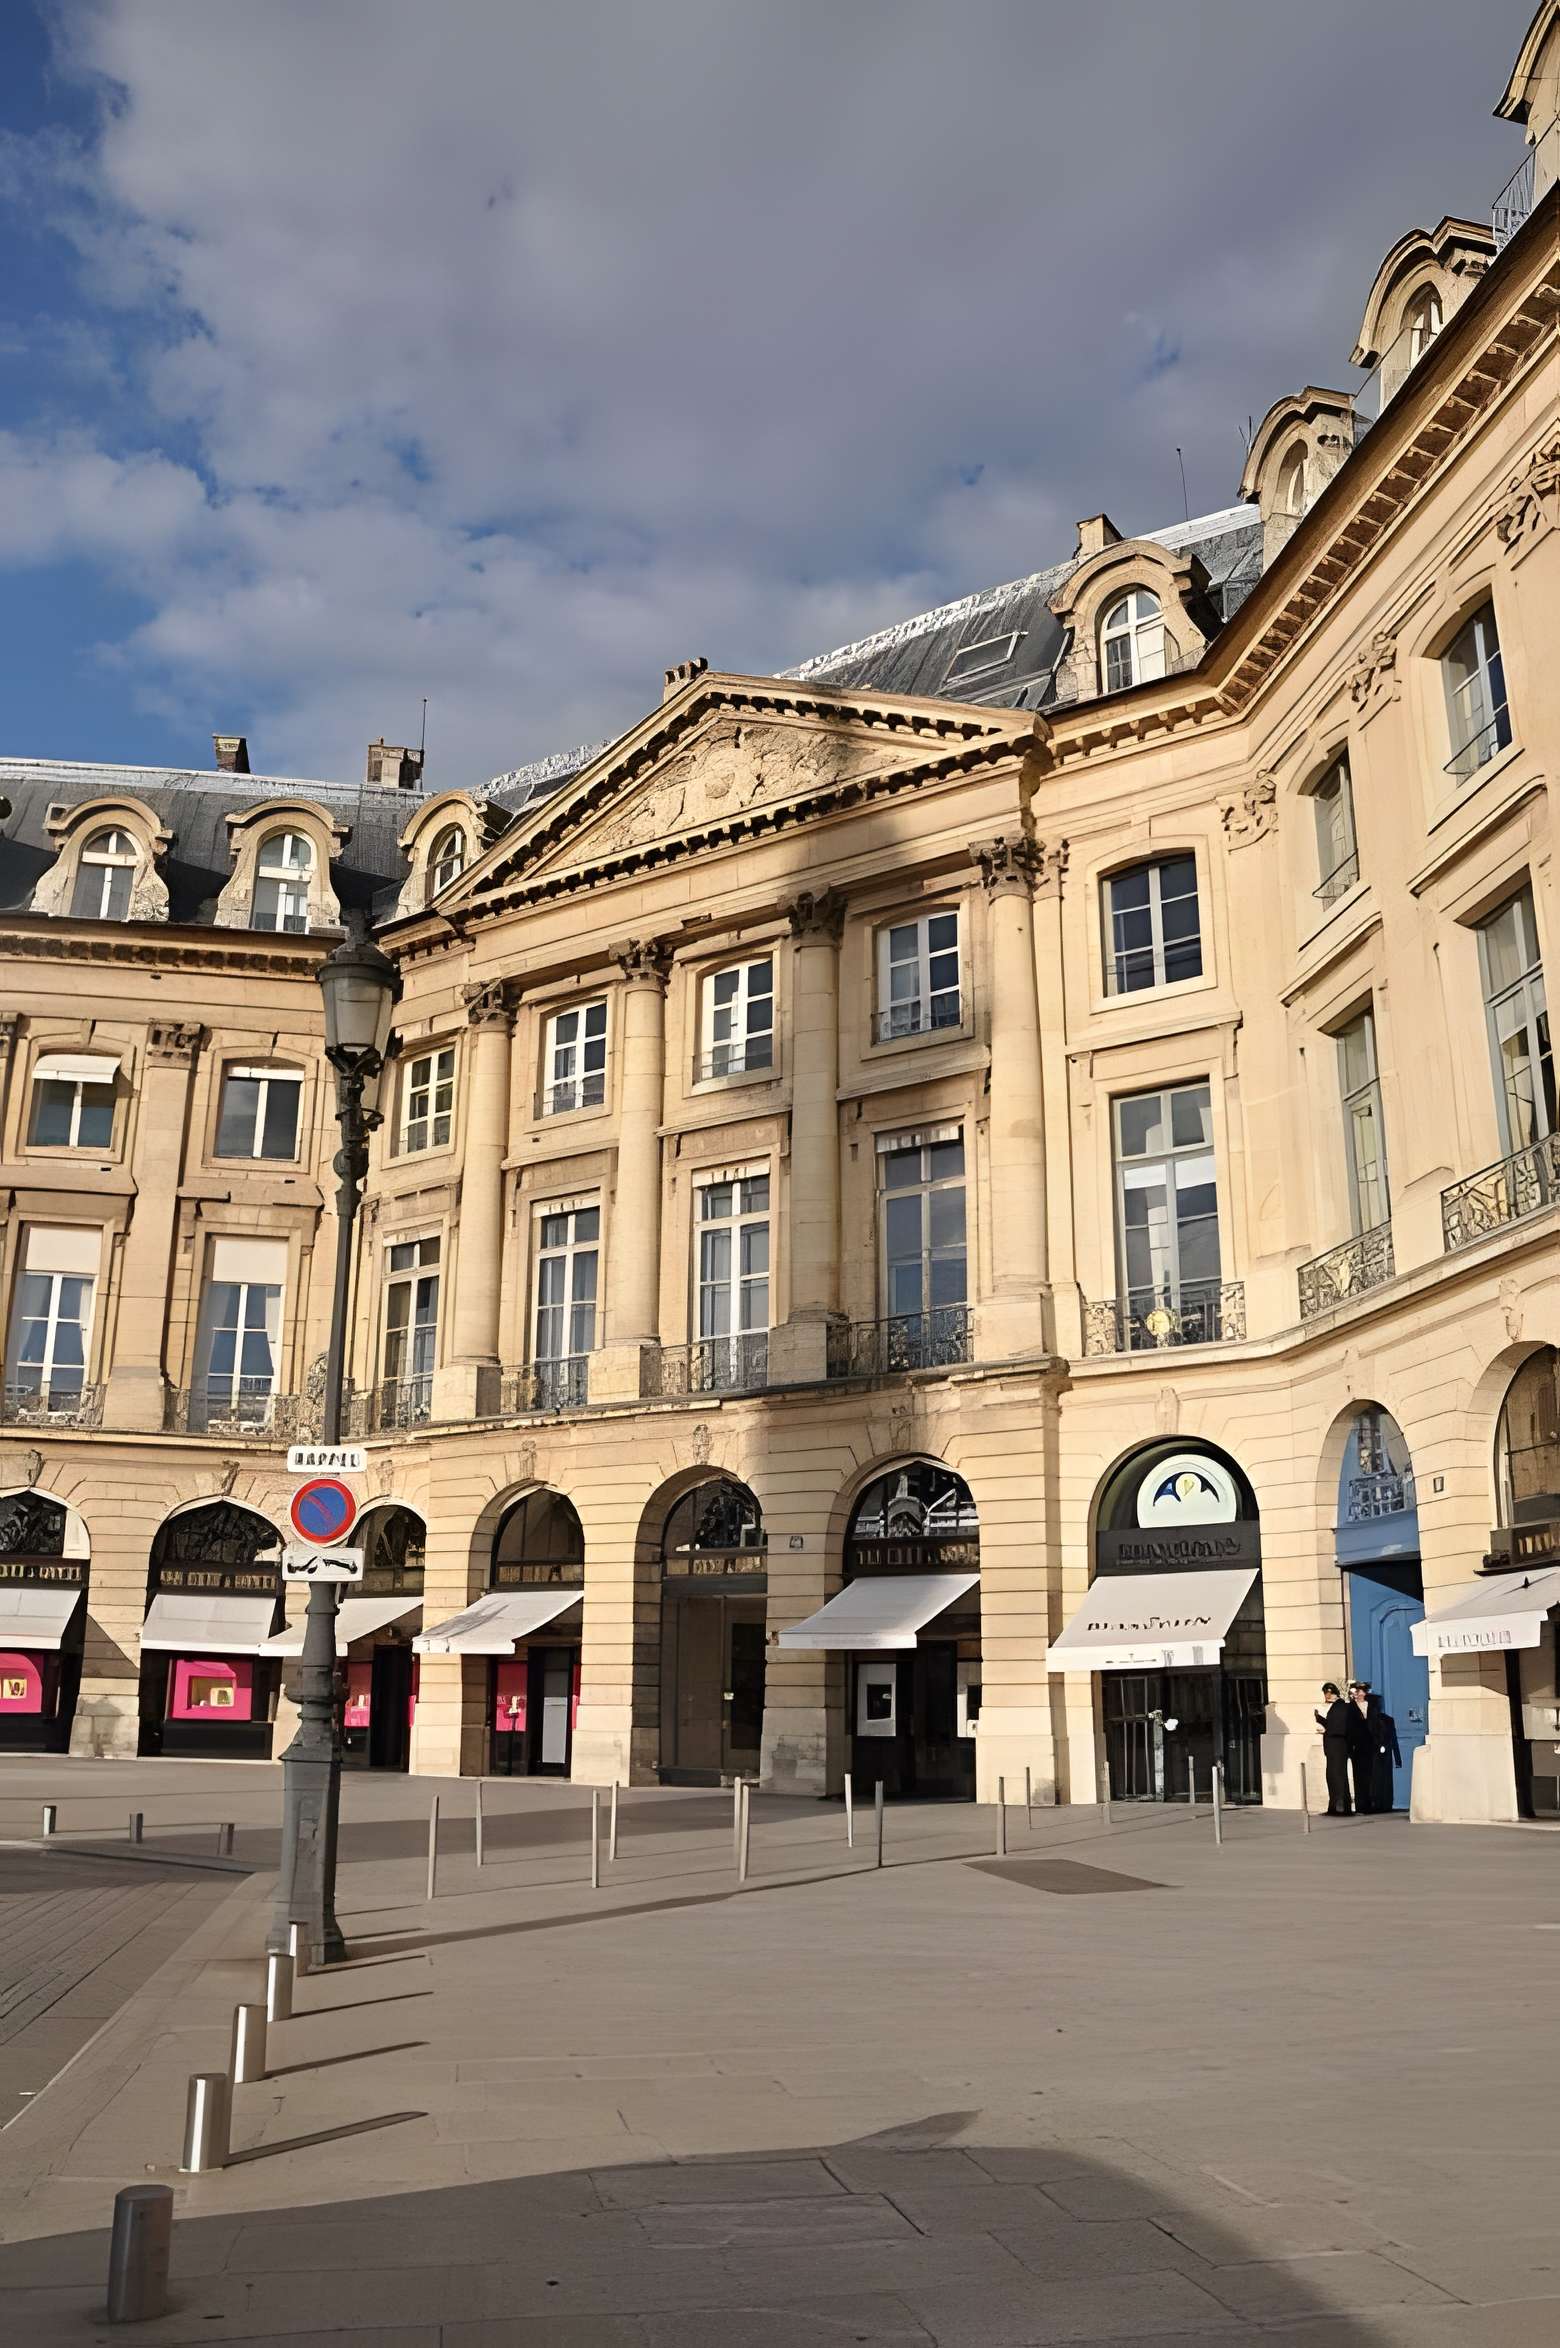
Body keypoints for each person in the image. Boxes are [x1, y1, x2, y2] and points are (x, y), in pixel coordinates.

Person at [1314, 1681, 1353, 1814]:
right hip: (1334, 1749)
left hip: (1337, 1748)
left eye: (1327, 1693)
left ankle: (1339, 1806)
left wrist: (1325, 1729)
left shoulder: (1341, 1707)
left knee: (1336, 1776)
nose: (1325, 1696)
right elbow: (1332, 1725)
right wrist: (1319, 1719)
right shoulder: (1336, 1707)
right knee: (1332, 1776)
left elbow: (1338, 1729)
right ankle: (1335, 1806)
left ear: (1332, 1693)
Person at [1348, 1680, 1378, 1814]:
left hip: (1370, 1744)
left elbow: (1375, 1723)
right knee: (1358, 1775)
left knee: (1370, 1775)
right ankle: (1361, 1804)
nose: (1359, 1694)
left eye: (1362, 1691)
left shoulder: (1371, 1705)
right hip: (1357, 1745)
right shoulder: (1351, 1707)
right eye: (1358, 1691)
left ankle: (1370, 1803)